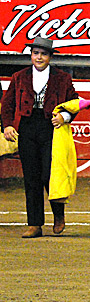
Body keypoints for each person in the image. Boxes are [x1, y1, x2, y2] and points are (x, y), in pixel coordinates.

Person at [1, 37, 78, 238]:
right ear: (31, 55)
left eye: (43, 54)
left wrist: (65, 116)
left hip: (51, 127)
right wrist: (8, 125)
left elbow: (74, 102)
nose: (39, 57)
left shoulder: (62, 78)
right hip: (27, 128)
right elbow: (7, 104)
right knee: (32, 177)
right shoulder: (19, 77)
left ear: (50, 57)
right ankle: (34, 223)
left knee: (49, 175)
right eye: (36, 53)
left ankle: (58, 215)